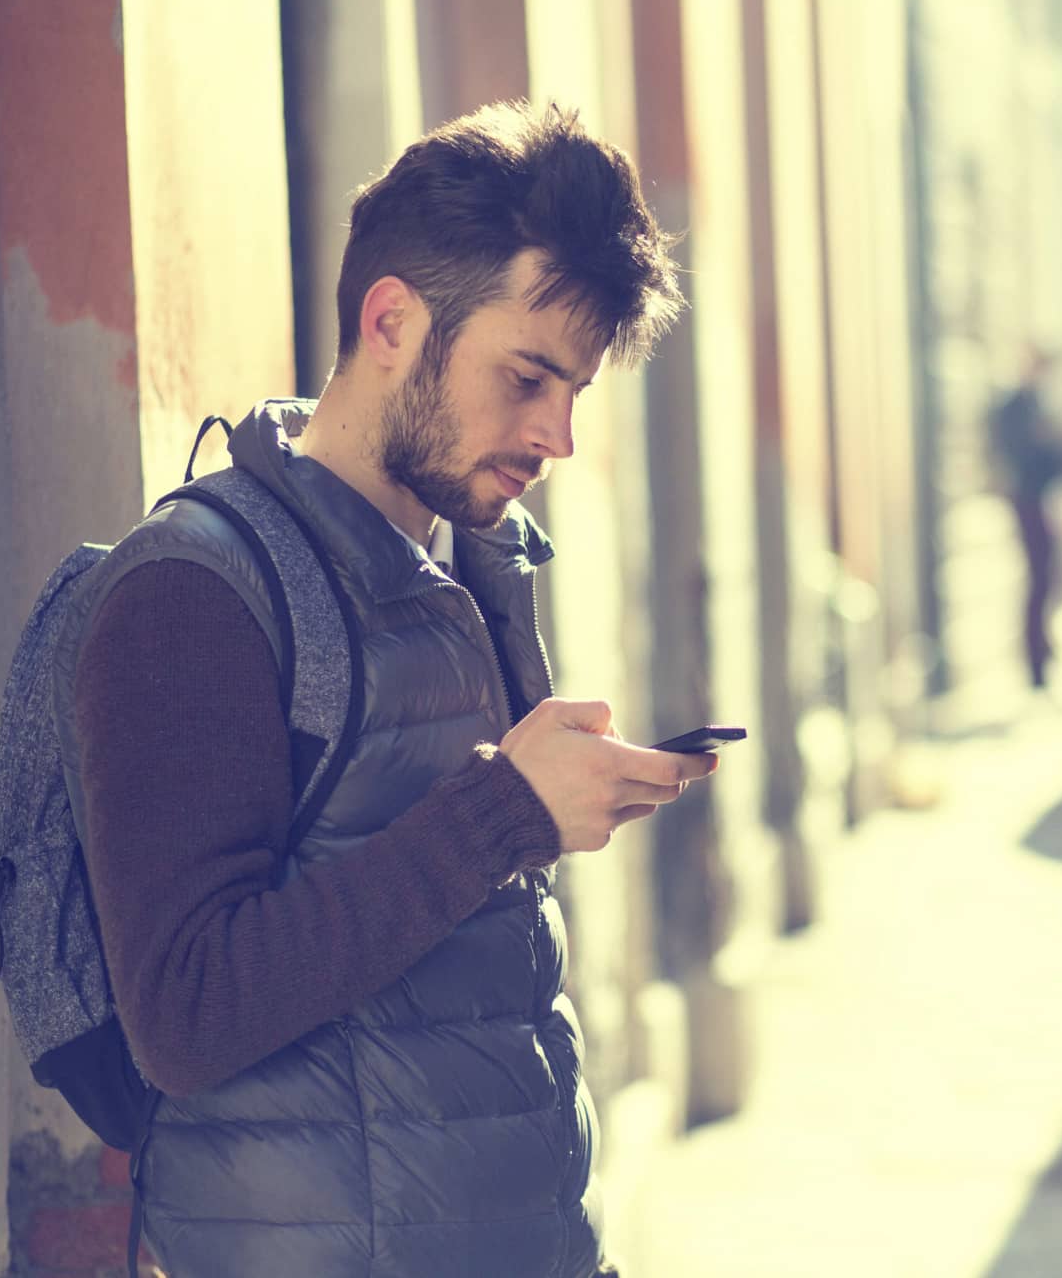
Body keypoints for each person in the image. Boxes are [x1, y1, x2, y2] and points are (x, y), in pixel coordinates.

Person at [66, 102, 708, 1278]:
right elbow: (186, 1011)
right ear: (393, 321)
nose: (556, 433)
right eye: (528, 376)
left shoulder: (478, 567)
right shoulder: (193, 591)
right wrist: (507, 810)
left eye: (574, 390)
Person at [990, 346, 1062, 688]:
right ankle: (1035, 658)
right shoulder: (1017, 409)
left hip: (1040, 498)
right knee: (1038, 578)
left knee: (1048, 576)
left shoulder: (1035, 406)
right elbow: (1020, 454)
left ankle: (1042, 649)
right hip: (1028, 499)